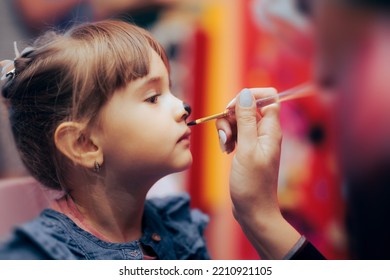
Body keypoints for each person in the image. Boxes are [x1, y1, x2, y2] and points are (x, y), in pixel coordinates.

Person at [0, 20, 207, 260]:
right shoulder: (39, 259)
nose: (183, 107)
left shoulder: (179, 229)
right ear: (84, 144)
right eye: (152, 98)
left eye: (170, 89)